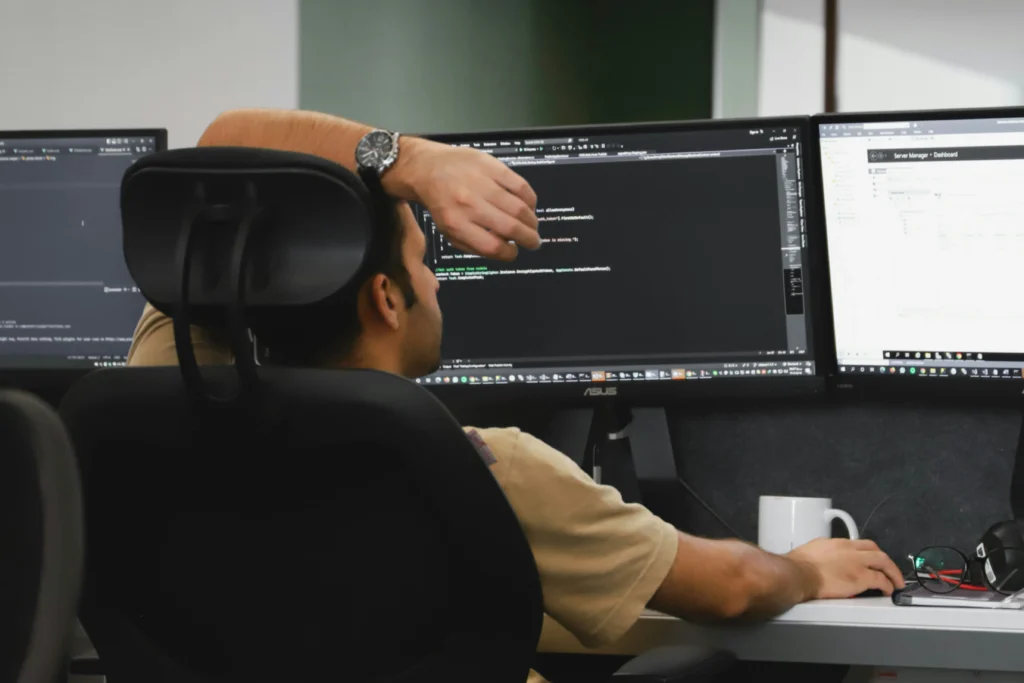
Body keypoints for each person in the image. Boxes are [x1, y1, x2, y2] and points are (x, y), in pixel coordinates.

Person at [128, 109, 904, 683]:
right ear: (387, 302)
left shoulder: (160, 386)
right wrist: (802, 569)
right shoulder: (476, 464)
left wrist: (411, 163)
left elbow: (221, 144)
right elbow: (733, 588)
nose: (438, 281)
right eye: (424, 262)